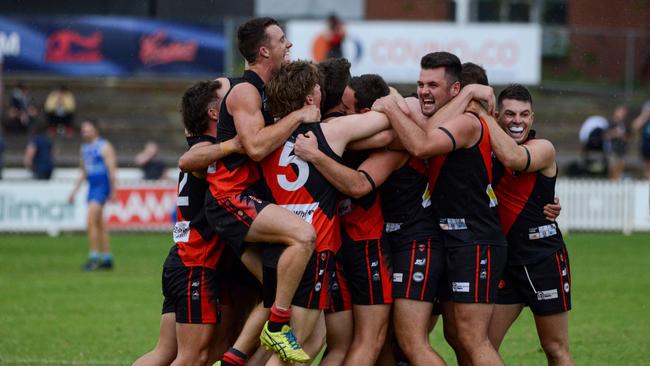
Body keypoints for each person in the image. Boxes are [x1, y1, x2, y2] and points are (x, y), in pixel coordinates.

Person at [373, 51, 507, 366]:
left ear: (456, 89)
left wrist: (391, 107)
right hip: (453, 239)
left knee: (472, 338)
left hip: (474, 239)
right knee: (457, 337)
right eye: (420, 83)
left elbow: (420, 145)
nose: (423, 91)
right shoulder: (441, 119)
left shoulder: (465, 122)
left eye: (432, 84)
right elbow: (417, 134)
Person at [260, 60, 395, 366]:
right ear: (310, 98)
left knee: (315, 339)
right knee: (291, 350)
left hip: (276, 248)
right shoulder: (330, 132)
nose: (323, 92)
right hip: (312, 251)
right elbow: (385, 119)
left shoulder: (266, 137)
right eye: (317, 89)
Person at [202, 17, 320, 364]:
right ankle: (279, 326)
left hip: (245, 200)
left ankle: (236, 359)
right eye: (283, 40)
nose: (290, 45)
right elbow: (254, 147)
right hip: (230, 198)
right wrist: (299, 115)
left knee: (277, 286)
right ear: (265, 50)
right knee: (304, 237)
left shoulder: (265, 92)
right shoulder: (246, 91)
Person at [133, 78, 248, 366]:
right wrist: (237, 142)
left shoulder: (201, 144)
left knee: (166, 352)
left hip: (182, 260)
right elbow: (191, 160)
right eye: (227, 98)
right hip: (195, 264)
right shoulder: (207, 152)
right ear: (213, 113)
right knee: (191, 357)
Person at [470, 84, 574, 366]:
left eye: (524, 114)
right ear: (498, 115)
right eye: (510, 114)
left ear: (533, 119)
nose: (518, 121)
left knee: (554, 348)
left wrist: (482, 114)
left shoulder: (542, 148)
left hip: (542, 258)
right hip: (506, 261)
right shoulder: (486, 151)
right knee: (482, 346)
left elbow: (514, 158)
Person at [68, 119, 117, 271]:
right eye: (83, 130)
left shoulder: (104, 146)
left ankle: (94, 258)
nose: (85, 133)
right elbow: (84, 171)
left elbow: (112, 170)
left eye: (88, 130)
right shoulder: (84, 148)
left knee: (90, 222)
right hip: (92, 187)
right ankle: (107, 258)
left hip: (101, 187)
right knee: (100, 224)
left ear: (96, 130)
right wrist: (74, 192)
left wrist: (113, 191)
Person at [603, 104, 629, 180]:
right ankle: (612, 183)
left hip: (622, 150)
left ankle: (618, 181)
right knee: (612, 168)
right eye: (621, 112)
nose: (622, 114)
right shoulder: (610, 123)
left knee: (620, 167)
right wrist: (616, 134)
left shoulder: (625, 124)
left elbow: (629, 137)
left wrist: (624, 136)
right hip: (612, 150)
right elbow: (605, 135)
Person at [632, 101, 650, 179]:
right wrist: (644, 116)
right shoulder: (644, 119)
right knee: (646, 164)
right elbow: (635, 126)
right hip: (646, 144)